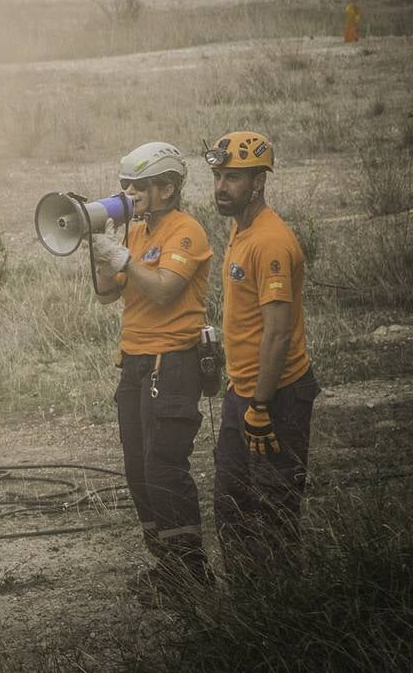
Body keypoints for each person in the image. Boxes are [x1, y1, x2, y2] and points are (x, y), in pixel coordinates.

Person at [90, 142, 213, 603]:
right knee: (138, 468)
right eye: (127, 185)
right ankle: (168, 568)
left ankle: (193, 575)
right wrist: (104, 254)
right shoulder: (136, 232)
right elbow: (106, 295)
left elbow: (163, 290)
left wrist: (123, 260)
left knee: (164, 466)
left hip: (173, 363)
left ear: (168, 187)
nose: (131, 193)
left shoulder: (187, 232)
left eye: (140, 185)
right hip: (135, 363)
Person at [204, 131, 319, 569]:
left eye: (233, 178)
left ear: (259, 183)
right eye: (217, 176)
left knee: (273, 509)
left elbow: (278, 333)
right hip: (243, 392)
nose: (220, 187)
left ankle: (282, 615)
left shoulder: (270, 240)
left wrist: (260, 405)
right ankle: (247, 609)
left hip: (275, 396)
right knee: (231, 504)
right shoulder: (240, 229)